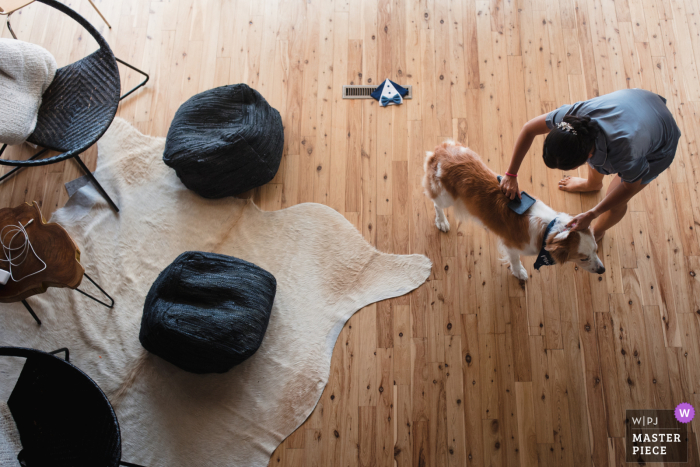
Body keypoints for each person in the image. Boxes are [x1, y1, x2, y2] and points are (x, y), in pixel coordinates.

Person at [500, 88, 681, 243]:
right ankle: (593, 184)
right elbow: (529, 129)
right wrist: (511, 174)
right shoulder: (570, 120)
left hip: (660, 141)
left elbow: (628, 188)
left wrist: (591, 214)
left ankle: (597, 232)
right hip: (638, 103)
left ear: (588, 156)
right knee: (593, 157)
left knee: (615, 204)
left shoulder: (626, 152)